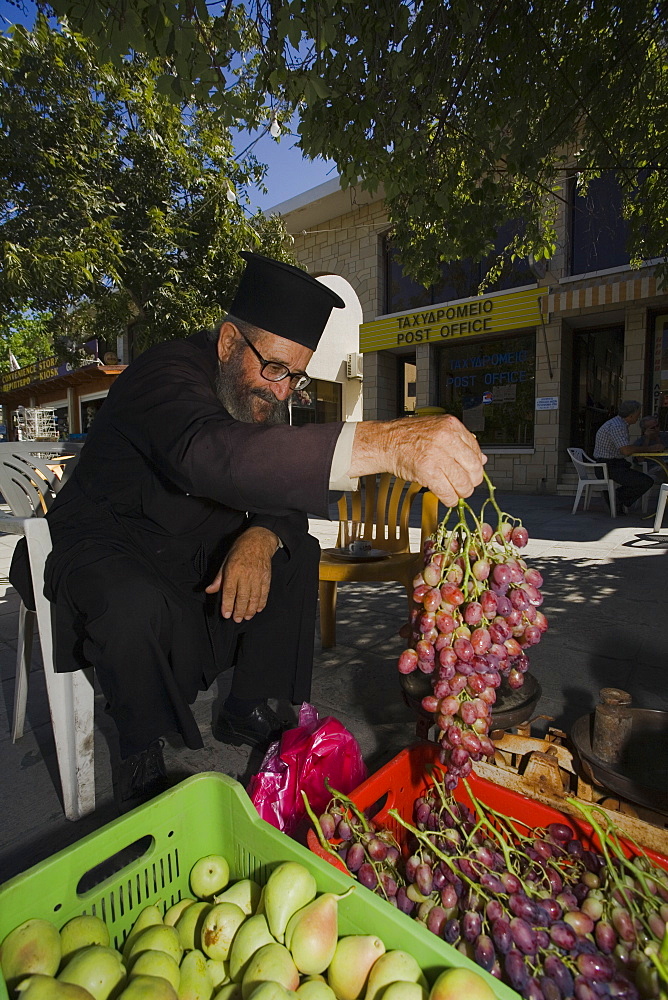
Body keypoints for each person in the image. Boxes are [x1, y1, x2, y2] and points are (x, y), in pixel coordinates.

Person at [9, 252, 486, 812]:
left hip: (185, 552)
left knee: (294, 549)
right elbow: (211, 456)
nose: (283, 392)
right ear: (228, 342)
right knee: (132, 603)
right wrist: (388, 444)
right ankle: (141, 754)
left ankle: (252, 704)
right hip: (107, 542)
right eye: (276, 369)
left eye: (297, 377)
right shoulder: (163, 375)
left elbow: (274, 483)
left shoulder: (256, 391)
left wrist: (261, 535)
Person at [593, 400, 662, 512]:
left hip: (614, 464)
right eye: (638, 414)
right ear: (631, 415)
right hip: (609, 466)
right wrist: (649, 448)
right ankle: (615, 498)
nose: (639, 416)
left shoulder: (618, 424)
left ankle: (615, 498)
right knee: (645, 481)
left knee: (641, 480)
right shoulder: (617, 426)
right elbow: (626, 451)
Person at [633, 415, 668, 482]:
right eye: (653, 428)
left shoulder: (665, 436)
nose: (656, 429)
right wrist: (647, 438)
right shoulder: (640, 442)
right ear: (645, 430)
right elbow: (639, 460)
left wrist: (658, 438)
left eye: (657, 426)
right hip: (655, 467)